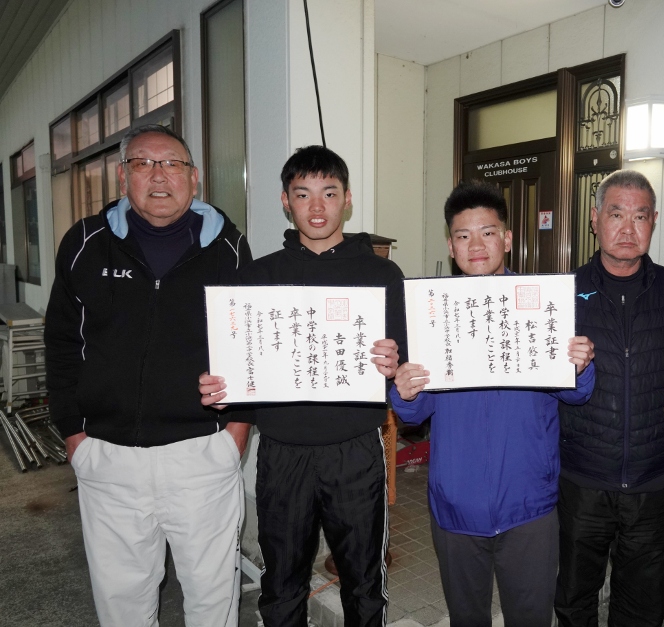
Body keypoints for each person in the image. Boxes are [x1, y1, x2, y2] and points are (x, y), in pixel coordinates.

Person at [45, 124, 252, 627]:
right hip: (108, 457)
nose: (159, 176)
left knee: (213, 598)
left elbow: (250, 345)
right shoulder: (85, 244)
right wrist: (74, 435)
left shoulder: (229, 248)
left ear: (193, 178)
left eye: (172, 164)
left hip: (202, 456)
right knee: (123, 604)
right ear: (124, 177)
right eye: (143, 163)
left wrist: (237, 431)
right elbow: (62, 343)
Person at [199, 145, 404, 627]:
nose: (316, 206)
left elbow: (406, 362)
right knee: (282, 583)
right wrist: (221, 387)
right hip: (282, 452)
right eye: (303, 193)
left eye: (329, 193)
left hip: (356, 450)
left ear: (347, 199)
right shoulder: (257, 277)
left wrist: (396, 363)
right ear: (285, 201)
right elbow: (238, 362)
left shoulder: (381, 274)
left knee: (364, 582)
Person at [390, 180, 596, 627]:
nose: (476, 245)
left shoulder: (542, 306)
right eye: (463, 236)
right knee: (467, 618)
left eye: (488, 232)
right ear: (450, 246)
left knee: (532, 618)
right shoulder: (433, 314)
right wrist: (404, 390)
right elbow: (415, 412)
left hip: (529, 503)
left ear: (507, 238)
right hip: (455, 504)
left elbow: (576, 393)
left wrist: (580, 365)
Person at [553, 170, 664, 626]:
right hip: (582, 481)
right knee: (574, 601)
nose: (628, 228)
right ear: (595, 219)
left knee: (641, 607)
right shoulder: (563, 292)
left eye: (640, 216)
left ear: (653, 221)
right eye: (616, 214)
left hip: (652, 483)